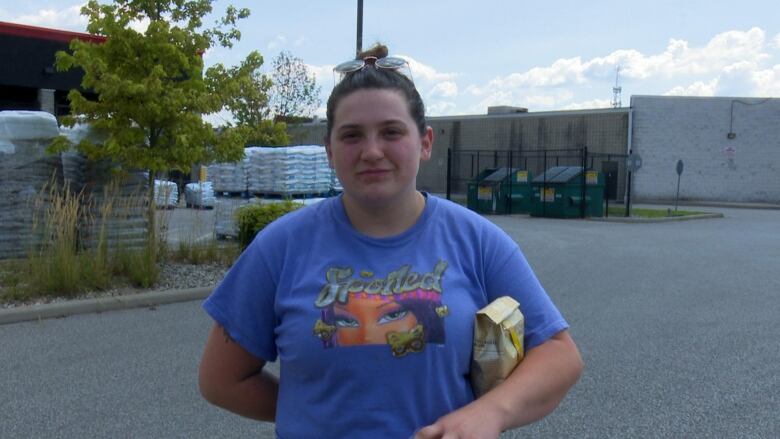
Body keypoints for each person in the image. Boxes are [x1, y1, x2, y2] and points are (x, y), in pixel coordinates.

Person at [198, 44, 583, 439]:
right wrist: (311, 411)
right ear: (330, 150)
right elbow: (222, 379)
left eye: (391, 132)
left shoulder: (476, 241)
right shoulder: (279, 247)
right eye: (351, 136)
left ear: (426, 142)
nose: (372, 151)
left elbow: (559, 354)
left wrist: (491, 412)